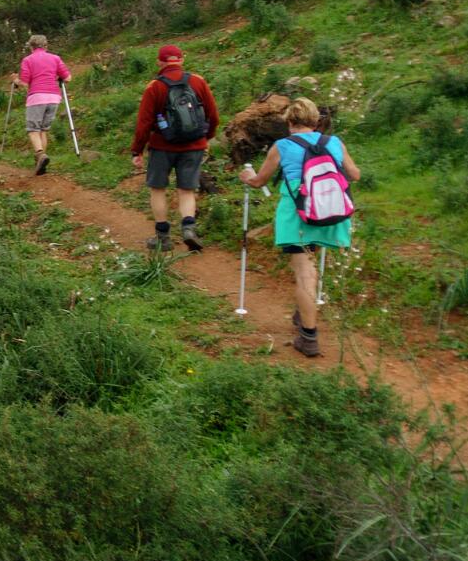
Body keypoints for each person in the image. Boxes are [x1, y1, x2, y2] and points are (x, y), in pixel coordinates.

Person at [238, 97, 359, 359]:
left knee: (304, 272)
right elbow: (355, 174)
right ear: (315, 121)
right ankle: (303, 312)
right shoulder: (334, 142)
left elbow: (259, 181)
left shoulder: (282, 146)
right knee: (310, 264)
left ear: (290, 122)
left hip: (298, 213)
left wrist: (248, 177)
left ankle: (309, 337)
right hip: (330, 211)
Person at [129, 43, 219, 252]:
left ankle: (163, 237)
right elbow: (213, 116)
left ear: (159, 62)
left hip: (162, 146)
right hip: (194, 146)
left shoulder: (154, 87)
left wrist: (137, 150)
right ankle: (188, 229)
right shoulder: (198, 81)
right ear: (182, 60)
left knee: (158, 188)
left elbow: (144, 123)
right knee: (186, 190)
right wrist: (205, 138)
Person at [14, 33, 70, 176]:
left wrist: (15, 80)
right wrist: (57, 76)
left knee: (33, 129)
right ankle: (41, 163)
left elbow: (24, 83)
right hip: (54, 97)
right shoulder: (55, 58)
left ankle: (40, 154)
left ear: (31, 47)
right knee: (43, 130)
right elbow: (68, 78)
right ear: (46, 46)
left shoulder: (28, 60)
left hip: (37, 97)